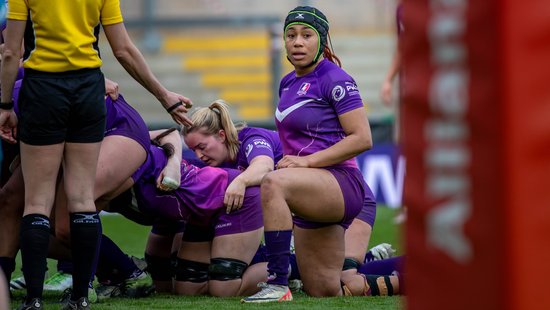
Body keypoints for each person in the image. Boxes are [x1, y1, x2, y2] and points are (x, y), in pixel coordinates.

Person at [0, 0, 192, 308]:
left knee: (37, 201)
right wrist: (164, 97)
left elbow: (12, 51)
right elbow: (123, 49)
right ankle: (80, 299)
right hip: (89, 85)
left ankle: (33, 300)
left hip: (43, 86)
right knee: (81, 200)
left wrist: (6, 105)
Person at [242, 6, 382, 303]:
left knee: (273, 182)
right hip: (310, 189)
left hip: (340, 183)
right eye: (291, 35)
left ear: (322, 41)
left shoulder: (336, 78)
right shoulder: (287, 82)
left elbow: (362, 138)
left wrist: (304, 163)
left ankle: (278, 284)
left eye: (307, 35)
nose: (297, 42)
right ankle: (404, 278)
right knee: (326, 289)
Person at [129, 128, 268, 297]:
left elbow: (265, 167)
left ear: (222, 135)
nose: (199, 155)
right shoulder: (204, 165)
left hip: (232, 200)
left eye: (202, 146)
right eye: (194, 149)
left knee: (223, 288)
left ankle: (290, 265)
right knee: (182, 287)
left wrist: (241, 181)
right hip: (199, 211)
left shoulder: (252, 138)